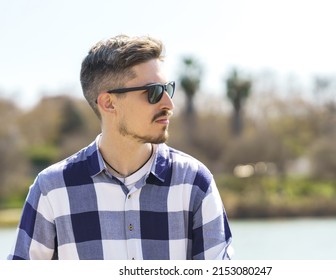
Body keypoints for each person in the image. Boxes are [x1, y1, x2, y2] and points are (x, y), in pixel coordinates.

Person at [7, 35, 233, 260]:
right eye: (154, 92)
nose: (169, 104)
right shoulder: (52, 189)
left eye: (168, 89)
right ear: (108, 103)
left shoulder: (194, 182)